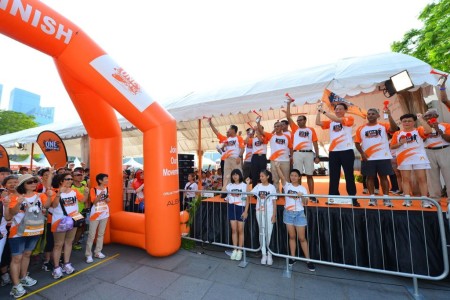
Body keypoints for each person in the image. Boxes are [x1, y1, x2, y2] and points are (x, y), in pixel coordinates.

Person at [3, 174, 51, 298]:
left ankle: (23, 277)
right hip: (18, 232)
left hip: (35, 230)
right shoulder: (13, 197)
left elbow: (46, 206)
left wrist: (50, 197)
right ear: (22, 184)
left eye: (35, 181)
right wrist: (18, 204)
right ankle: (16, 285)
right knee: (16, 258)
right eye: (30, 182)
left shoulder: (40, 195)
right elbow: (9, 216)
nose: (34, 183)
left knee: (27, 254)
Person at [273, 162, 315, 271]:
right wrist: (277, 167)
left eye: (295, 176)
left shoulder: (303, 188)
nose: (293, 177)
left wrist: (302, 197)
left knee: (302, 238)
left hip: (299, 214)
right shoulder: (287, 186)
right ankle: (292, 257)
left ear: (299, 177)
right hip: (288, 213)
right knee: (291, 237)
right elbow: (282, 177)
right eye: (292, 175)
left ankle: (308, 260)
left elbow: (306, 203)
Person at [316, 103, 360, 206]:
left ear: (345, 110)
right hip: (334, 152)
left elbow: (338, 120)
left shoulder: (349, 118)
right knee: (334, 176)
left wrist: (323, 111)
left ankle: (353, 199)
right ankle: (333, 197)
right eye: (336, 109)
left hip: (347, 151)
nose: (338, 111)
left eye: (340, 109)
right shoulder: (331, 122)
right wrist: (318, 111)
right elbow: (318, 122)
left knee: (349, 175)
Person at [355, 108, 399, 207]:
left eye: (373, 114)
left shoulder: (383, 125)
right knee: (369, 177)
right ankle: (372, 198)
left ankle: (386, 198)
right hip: (368, 158)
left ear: (378, 116)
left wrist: (390, 116)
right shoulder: (361, 128)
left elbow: (394, 129)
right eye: (368, 114)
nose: (370, 115)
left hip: (383, 156)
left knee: (384, 177)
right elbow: (357, 143)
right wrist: (362, 153)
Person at [50, 173, 89, 279]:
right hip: (59, 220)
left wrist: (86, 193)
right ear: (61, 180)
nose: (70, 181)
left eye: (71, 179)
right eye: (67, 179)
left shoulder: (74, 191)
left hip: (73, 219)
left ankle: (66, 263)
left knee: (69, 242)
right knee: (58, 244)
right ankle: (56, 267)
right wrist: (58, 193)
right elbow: (53, 205)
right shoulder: (54, 191)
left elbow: (83, 200)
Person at [390, 113, 433, 207]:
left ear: (414, 122)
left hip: (419, 157)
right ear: (401, 123)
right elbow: (392, 146)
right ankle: (407, 199)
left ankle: (425, 200)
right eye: (404, 121)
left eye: (409, 121)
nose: (407, 123)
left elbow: (429, 130)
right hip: (404, 158)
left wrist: (421, 119)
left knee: (422, 179)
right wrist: (400, 143)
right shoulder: (397, 133)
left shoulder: (419, 130)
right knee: (405, 179)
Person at [286, 101, 320, 202]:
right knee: (297, 175)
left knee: (310, 174)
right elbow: (288, 117)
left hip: (309, 153)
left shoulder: (311, 130)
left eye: (300, 120)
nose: (298, 122)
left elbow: (315, 143)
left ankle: (312, 195)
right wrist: (288, 104)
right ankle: (298, 193)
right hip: (297, 153)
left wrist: (317, 156)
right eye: (297, 120)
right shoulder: (295, 128)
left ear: (305, 120)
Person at [422, 109, 450, 205]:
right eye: (427, 116)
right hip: (429, 151)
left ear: (436, 116)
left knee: (448, 175)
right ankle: (435, 199)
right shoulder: (422, 127)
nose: (429, 118)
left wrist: (438, 129)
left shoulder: (445, 125)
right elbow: (422, 138)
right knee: (432, 176)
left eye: (431, 115)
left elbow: (449, 139)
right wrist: (428, 129)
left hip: (444, 149)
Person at [208, 119, 245, 190]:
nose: (228, 130)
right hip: (227, 160)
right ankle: (226, 192)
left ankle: (240, 190)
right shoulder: (226, 139)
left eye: (229, 129)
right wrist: (210, 123)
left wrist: (239, 157)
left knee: (238, 174)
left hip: (235, 159)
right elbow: (216, 132)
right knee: (226, 175)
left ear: (233, 130)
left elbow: (243, 149)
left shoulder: (239, 138)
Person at [251, 170, 277, 265]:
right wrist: (246, 184)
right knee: (261, 232)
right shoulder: (258, 186)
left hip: (269, 212)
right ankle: (263, 254)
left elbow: (274, 202)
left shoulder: (272, 187)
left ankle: (269, 254)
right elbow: (249, 193)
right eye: (260, 176)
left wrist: (274, 215)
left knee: (269, 232)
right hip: (259, 212)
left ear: (267, 177)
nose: (261, 178)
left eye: (262, 176)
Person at [258, 120, 292, 193]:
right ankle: (276, 194)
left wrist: (292, 157)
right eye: (275, 126)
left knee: (286, 179)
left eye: (278, 126)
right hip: (274, 160)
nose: (276, 127)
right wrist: (258, 122)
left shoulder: (287, 137)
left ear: (282, 127)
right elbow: (261, 131)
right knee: (275, 179)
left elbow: (291, 147)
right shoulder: (271, 136)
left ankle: (286, 193)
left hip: (285, 161)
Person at [225, 169, 251, 261]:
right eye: (233, 175)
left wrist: (246, 211)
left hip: (241, 208)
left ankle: (240, 250)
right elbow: (223, 190)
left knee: (240, 230)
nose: (235, 176)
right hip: (232, 208)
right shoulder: (230, 185)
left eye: (236, 174)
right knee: (234, 230)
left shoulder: (244, 186)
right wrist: (226, 180)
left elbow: (248, 199)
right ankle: (235, 249)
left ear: (240, 175)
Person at [85, 173, 110, 263]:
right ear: (100, 181)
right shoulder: (93, 189)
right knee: (91, 235)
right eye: (105, 179)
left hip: (105, 213)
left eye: (107, 178)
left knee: (101, 234)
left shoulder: (107, 188)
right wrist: (100, 195)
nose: (107, 180)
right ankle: (88, 255)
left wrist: (107, 199)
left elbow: (108, 200)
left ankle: (98, 252)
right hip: (95, 214)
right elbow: (94, 201)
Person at [0, 174, 16, 287]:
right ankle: (4, 274)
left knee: (13, 252)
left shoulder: (22, 195)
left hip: (18, 228)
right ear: (4, 184)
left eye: (15, 182)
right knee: (5, 252)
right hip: (5, 228)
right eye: (10, 182)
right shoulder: (2, 196)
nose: (13, 184)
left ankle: (13, 271)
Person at [71, 169, 89, 251]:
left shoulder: (84, 185)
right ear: (73, 177)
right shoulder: (71, 186)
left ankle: (75, 243)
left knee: (81, 228)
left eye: (81, 175)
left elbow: (86, 198)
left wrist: (86, 206)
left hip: (82, 209)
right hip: (73, 211)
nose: (80, 176)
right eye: (77, 175)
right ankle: (69, 244)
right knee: (73, 228)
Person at [250, 118, 269, 187]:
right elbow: (245, 142)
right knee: (254, 174)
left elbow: (261, 140)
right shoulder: (253, 139)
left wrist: (257, 131)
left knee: (263, 173)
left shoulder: (265, 137)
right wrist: (250, 134)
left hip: (262, 157)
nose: (258, 131)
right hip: (255, 157)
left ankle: (263, 188)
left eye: (260, 129)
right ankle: (254, 189)